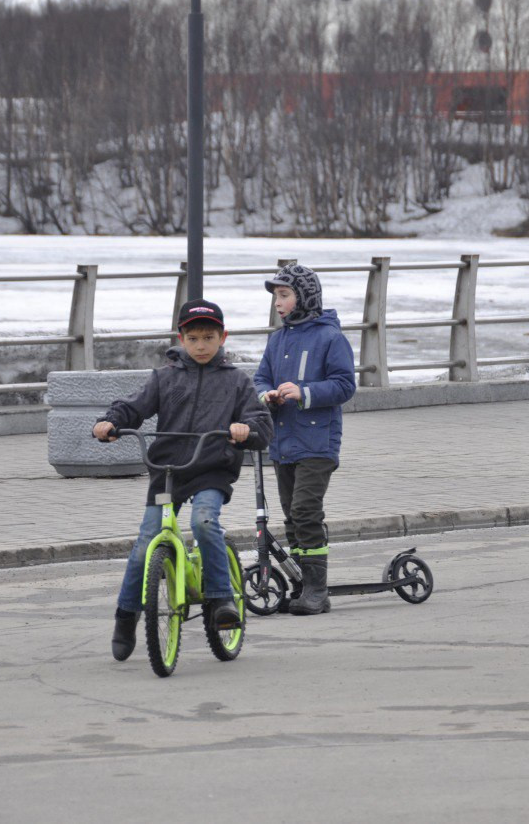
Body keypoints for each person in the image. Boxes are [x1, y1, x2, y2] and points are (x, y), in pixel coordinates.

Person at [93, 299, 273, 661]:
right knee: (145, 545)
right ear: (181, 338)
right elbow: (133, 406)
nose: (201, 345)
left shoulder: (236, 381)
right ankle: (126, 615)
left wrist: (246, 429)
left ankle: (222, 599)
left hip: (211, 467)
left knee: (204, 521)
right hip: (168, 472)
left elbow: (260, 423)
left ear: (223, 337)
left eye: (209, 337)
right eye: (193, 338)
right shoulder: (165, 377)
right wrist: (111, 421)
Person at [254, 264, 356, 615]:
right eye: (275, 297)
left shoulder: (330, 337)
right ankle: (301, 584)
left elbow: (345, 385)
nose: (278, 304)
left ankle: (317, 589)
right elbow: (259, 379)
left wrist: (304, 392)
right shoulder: (277, 339)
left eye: (284, 296)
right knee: (291, 515)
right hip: (283, 443)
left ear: (305, 297)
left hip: (317, 443)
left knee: (305, 510)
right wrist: (266, 395)